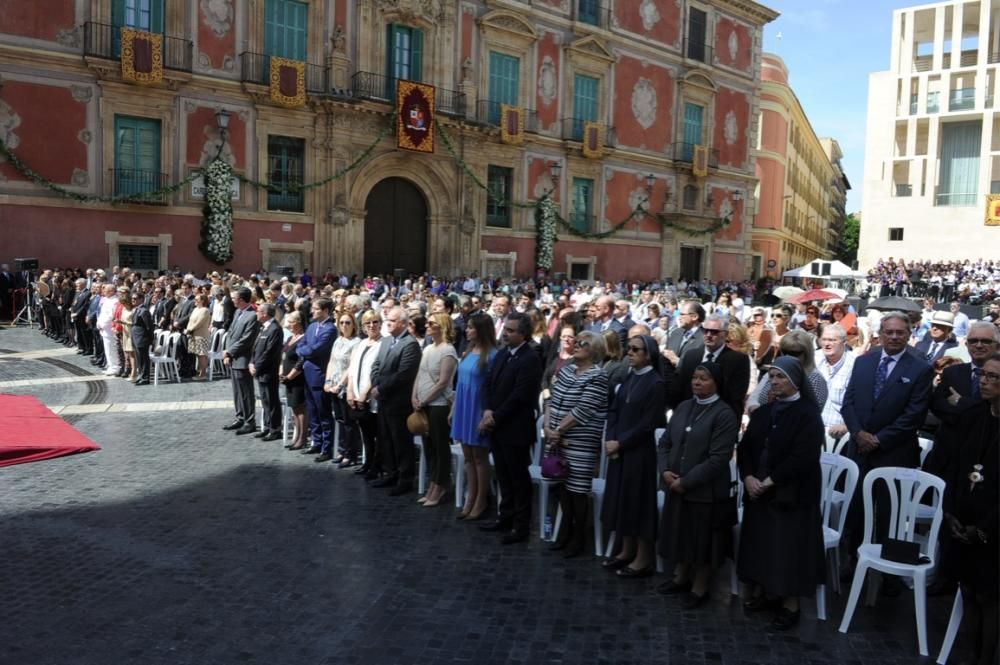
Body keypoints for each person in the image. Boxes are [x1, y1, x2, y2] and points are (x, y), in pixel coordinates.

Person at [737, 356, 825, 631]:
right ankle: (765, 591)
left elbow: (804, 457)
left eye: (781, 377)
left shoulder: (808, 414)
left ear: (795, 380)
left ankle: (790, 603)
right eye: (772, 377)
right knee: (762, 544)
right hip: (760, 490)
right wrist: (749, 476)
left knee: (788, 549)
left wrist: (771, 480)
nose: (774, 382)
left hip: (791, 494)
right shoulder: (763, 412)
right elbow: (746, 448)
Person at [841, 312, 934, 564]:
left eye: (900, 332)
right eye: (889, 332)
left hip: (893, 453)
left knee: (889, 514)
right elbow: (847, 403)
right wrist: (859, 434)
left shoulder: (921, 369)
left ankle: (888, 573)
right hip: (859, 450)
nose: (894, 336)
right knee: (856, 509)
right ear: (880, 334)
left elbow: (914, 415)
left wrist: (878, 439)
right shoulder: (863, 362)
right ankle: (853, 559)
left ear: (909, 334)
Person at [657, 361, 740, 608]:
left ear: (716, 383)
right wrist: (665, 472)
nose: (697, 382)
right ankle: (680, 576)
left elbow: (718, 458)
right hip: (675, 484)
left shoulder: (724, 414)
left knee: (703, 542)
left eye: (703, 378)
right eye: (695, 377)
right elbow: (664, 443)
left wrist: (687, 481)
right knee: (681, 534)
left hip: (705, 491)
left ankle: (700, 586)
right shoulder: (684, 407)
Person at [940, 352, 999, 665]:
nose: (985, 382)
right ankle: (971, 654)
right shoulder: (975, 415)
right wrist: (951, 512)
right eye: (984, 376)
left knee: (989, 597)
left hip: (991, 528)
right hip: (964, 520)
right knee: (967, 590)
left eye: (994, 377)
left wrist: (984, 528)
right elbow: (958, 465)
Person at [601, 334, 666, 577]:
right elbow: (614, 409)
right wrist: (611, 438)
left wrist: (620, 442)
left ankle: (643, 557)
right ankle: (626, 551)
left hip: (638, 453)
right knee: (622, 500)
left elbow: (648, 424)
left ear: (648, 354)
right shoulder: (629, 377)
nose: (629, 352)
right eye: (628, 349)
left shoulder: (656, 383)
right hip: (619, 449)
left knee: (638, 503)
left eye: (635, 349)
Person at [478, 312, 543, 544]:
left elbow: (520, 396)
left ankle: (521, 525)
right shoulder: (503, 354)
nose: (505, 334)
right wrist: (487, 410)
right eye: (505, 329)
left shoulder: (530, 358)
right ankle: (504, 517)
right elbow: (488, 383)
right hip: (496, 425)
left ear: (523, 334)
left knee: (518, 478)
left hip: (515, 428)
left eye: (511, 330)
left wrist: (494, 416)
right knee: (503, 476)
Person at [544, 330, 609, 558]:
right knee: (561, 488)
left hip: (578, 443)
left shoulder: (597, 376)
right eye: (578, 341)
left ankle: (579, 536)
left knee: (577, 491)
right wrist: (547, 427)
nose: (578, 344)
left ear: (596, 351)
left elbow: (583, 410)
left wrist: (559, 430)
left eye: (584, 343)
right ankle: (565, 532)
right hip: (556, 439)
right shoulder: (568, 369)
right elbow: (551, 398)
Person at [926, 322, 999, 480]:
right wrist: (974, 412)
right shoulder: (952, 372)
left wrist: (961, 402)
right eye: (973, 341)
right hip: (946, 458)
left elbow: (992, 411)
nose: (978, 345)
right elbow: (937, 405)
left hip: (985, 462)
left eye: (985, 341)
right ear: (966, 344)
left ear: (997, 346)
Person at [370, 306, 422, 495]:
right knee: (385, 439)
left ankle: (405, 478)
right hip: (383, 399)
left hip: (398, 402)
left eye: (391, 320)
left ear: (403, 323)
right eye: (387, 320)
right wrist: (375, 384)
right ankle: (390, 472)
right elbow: (376, 365)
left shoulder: (410, 344)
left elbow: (404, 375)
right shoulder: (386, 341)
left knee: (401, 441)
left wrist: (381, 388)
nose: (387, 323)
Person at [451, 313, 497, 520]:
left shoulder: (492, 355)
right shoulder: (468, 351)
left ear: (481, 330)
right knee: (468, 457)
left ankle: (481, 499)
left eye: (471, 327)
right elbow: (460, 383)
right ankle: (471, 497)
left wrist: (486, 415)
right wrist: (454, 410)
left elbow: (493, 388)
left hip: (478, 409)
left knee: (479, 458)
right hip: (463, 407)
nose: (467, 330)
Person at [411, 313, 460, 506]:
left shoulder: (448, 351)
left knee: (440, 447)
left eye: (431, 323)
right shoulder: (428, 348)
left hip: (438, 405)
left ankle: (440, 485)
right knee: (429, 446)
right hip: (423, 403)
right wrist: (414, 396)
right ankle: (433, 483)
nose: (427, 326)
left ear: (442, 327)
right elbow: (419, 374)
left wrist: (423, 400)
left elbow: (443, 383)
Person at [672, 315, 750, 419]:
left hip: (720, 418)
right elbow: (680, 387)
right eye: (706, 331)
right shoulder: (691, 356)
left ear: (725, 334)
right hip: (689, 415)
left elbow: (735, 395)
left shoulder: (738, 360)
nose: (708, 335)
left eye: (714, 332)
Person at [748, 330, 828, 414]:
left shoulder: (815, 378)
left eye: (795, 353)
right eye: (785, 352)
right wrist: (755, 410)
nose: (788, 357)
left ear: (807, 354)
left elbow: (812, 413)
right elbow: (754, 397)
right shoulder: (776, 371)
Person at [296, 298, 338, 457]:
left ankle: (327, 448)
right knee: (313, 411)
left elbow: (316, 349)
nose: (312, 311)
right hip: (307, 374)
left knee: (323, 412)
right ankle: (316, 441)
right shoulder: (312, 326)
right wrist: (304, 350)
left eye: (316, 308)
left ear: (326, 310)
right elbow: (302, 344)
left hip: (319, 375)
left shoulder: (330, 329)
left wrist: (304, 351)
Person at [347, 310, 384, 478]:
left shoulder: (383, 344)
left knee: (376, 434)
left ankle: (377, 466)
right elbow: (353, 369)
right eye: (368, 323)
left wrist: (364, 394)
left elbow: (376, 372)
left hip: (371, 397)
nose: (371, 326)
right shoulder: (361, 344)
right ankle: (367, 462)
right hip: (356, 394)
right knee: (365, 433)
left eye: (375, 322)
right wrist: (350, 390)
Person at [324, 310, 362, 466]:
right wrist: (327, 381)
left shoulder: (357, 342)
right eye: (342, 323)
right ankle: (341, 449)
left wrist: (340, 384)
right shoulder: (338, 340)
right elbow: (332, 362)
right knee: (339, 419)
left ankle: (350, 453)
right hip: (333, 385)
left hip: (346, 387)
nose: (344, 325)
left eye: (348, 322)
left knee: (349, 422)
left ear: (354, 325)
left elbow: (352, 366)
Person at [222, 288, 261, 435]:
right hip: (233, 358)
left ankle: (249, 421)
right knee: (237, 391)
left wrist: (230, 351)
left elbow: (246, 339)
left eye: (234, 298)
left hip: (243, 358)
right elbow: (231, 334)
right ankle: (240, 416)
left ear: (242, 299)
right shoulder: (238, 312)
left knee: (245, 392)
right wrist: (228, 353)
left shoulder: (252, 316)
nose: (232, 300)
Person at [249, 303, 284, 442]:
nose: (256, 313)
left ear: (265, 314)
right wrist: (252, 362)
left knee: (272, 400)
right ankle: (268, 426)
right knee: (265, 400)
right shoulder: (264, 328)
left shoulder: (275, 329)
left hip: (268, 370)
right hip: (260, 370)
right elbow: (256, 348)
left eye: (258, 311)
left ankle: (275, 429)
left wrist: (257, 366)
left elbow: (269, 352)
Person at [814, 324, 856, 438]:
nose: (827, 344)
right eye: (824, 340)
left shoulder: (856, 365)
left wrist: (846, 426)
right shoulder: (814, 359)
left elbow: (863, 403)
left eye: (832, 340)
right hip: (812, 428)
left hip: (841, 434)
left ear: (844, 342)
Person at [280, 311, 308, 450]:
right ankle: (297, 436)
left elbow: (301, 360)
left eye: (291, 322)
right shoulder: (291, 337)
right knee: (294, 408)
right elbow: (284, 355)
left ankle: (302, 438)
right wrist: (281, 372)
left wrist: (290, 375)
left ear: (298, 322)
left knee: (300, 408)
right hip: (287, 379)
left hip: (297, 378)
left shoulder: (303, 339)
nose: (288, 325)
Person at [185, 293, 212, 380]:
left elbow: (199, 322)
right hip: (193, 335)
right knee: (198, 354)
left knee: (202, 354)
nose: (195, 301)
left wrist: (189, 329)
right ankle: (200, 372)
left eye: (197, 299)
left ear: (202, 301)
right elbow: (190, 320)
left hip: (201, 335)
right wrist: (188, 329)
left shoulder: (205, 310)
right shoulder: (195, 309)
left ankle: (203, 374)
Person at [130, 292, 154, 386]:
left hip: (142, 338)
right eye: (132, 298)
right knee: (139, 358)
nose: (133, 300)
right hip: (136, 337)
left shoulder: (144, 311)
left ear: (141, 299)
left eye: (135, 299)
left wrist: (151, 339)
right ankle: (141, 375)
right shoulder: (136, 309)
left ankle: (145, 377)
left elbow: (149, 326)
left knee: (144, 359)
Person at [117, 290, 136, 381]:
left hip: (132, 332)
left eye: (124, 303)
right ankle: (133, 371)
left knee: (132, 353)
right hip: (125, 332)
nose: (122, 305)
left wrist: (123, 322)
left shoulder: (133, 310)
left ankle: (134, 372)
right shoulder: (124, 309)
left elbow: (134, 322)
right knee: (128, 353)